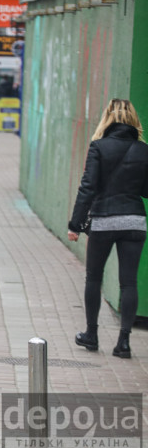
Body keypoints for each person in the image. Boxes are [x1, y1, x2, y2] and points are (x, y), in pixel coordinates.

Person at [68, 99, 148, 359]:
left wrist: (75, 224)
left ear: (108, 119)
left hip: (103, 220)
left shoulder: (98, 147)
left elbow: (88, 187)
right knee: (129, 282)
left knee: (94, 278)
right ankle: (123, 343)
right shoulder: (143, 150)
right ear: (133, 119)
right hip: (134, 221)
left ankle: (91, 335)